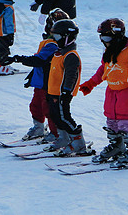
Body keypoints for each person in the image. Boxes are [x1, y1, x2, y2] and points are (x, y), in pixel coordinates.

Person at [79, 18, 128, 167]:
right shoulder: (109, 50)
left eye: (106, 37)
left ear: (117, 35)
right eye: (101, 38)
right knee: (111, 122)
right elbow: (104, 69)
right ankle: (118, 147)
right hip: (112, 93)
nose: (104, 41)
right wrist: (91, 83)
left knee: (125, 123)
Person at [3, 8, 69, 141]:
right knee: (35, 106)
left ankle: (56, 133)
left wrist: (18, 58)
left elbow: (38, 60)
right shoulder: (48, 42)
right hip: (40, 83)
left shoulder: (53, 45)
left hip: (48, 85)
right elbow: (40, 63)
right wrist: (32, 77)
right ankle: (38, 127)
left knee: (49, 109)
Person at [43, 19, 94, 157]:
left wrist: (66, 90)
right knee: (55, 116)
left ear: (68, 37)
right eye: (55, 37)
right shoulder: (59, 53)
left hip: (62, 93)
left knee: (64, 117)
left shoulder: (71, 55)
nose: (55, 40)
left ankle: (78, 143)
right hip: (53, 92)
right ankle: (63, 138)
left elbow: (72, 75)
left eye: (58, 37)